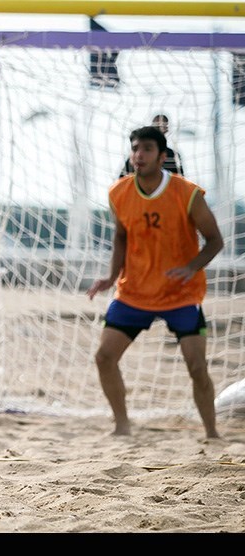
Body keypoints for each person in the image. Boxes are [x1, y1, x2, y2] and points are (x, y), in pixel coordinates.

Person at [88, 125, 223, 439]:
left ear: (163, 156)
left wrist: (192, 268)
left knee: (197, 367)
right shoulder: (118, 192)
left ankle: (212, 433)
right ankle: (122, 425)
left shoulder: (187, 193)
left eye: (147, 148)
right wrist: (111, 276)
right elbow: (121, 236)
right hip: (134, 292)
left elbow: (215, 240)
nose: (139, 154)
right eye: (135, 148)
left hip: (181, 294)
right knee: (104, 357)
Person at [119, 114, 183, 177]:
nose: (140, 155)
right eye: (157, 126)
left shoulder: (173, 155)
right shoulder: (135, 157)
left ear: (162, 156)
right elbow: (122, 178)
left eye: (148, 149)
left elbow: (180, 178)